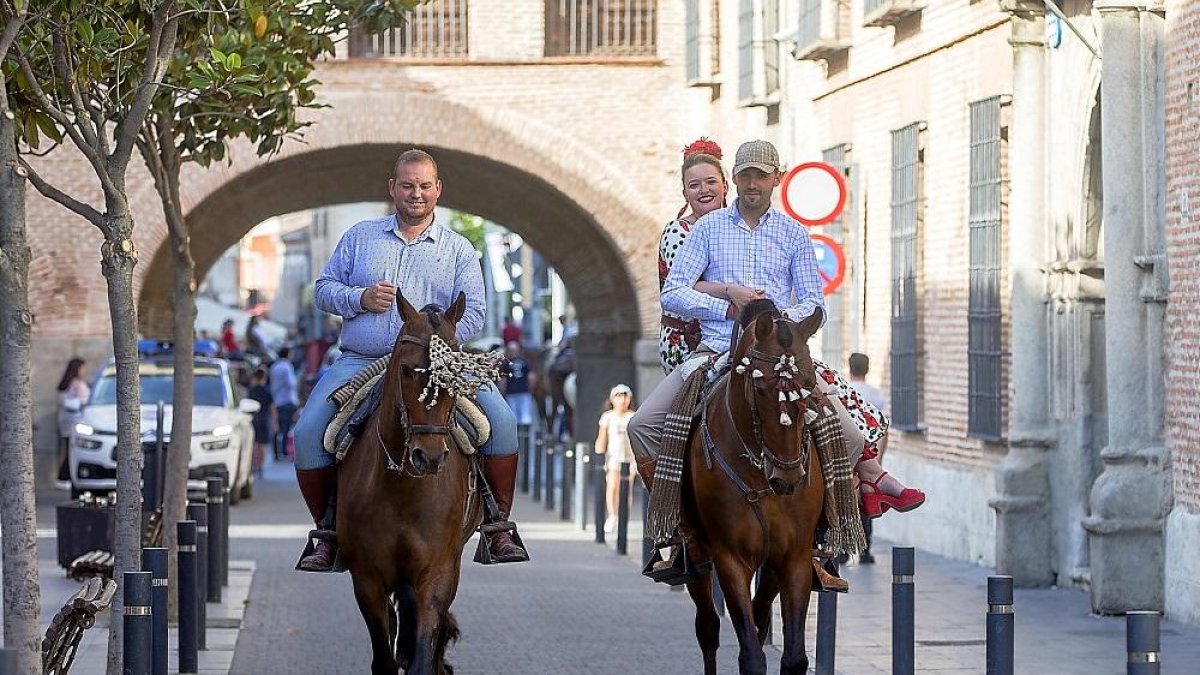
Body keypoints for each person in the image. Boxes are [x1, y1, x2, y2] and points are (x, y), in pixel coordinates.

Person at [629, 139, 924, 525]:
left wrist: (780, 320)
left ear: (776, 179)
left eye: (761, 176)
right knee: (642, 426)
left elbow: (815, 303)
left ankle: (823, 539)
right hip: (718, 349)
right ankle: (682, 523)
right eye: (746, 175)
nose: (753, 183)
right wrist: (729, 306)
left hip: (780, 354)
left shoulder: (794, 233)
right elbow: (674, 293)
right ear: (735, 179)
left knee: (851, 438)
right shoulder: (707, 230)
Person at [291, 148, 526, 571]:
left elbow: (472, 312)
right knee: (309, 432)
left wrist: (431, 339)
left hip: (437, 364)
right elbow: (323, 289)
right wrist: (358, 298)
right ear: (392, 189)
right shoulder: (359, 237)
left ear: (437, 190)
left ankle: (498, 526)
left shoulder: (459, 250)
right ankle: (326, 531)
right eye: (407, 185)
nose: (415, 194)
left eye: (423, 186)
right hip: (362, 359)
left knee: (503, 423)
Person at [595, 384, 637, 533]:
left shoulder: (632, 416)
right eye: (619, 396)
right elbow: (602, 438)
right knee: (612, 487)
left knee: (626, 488)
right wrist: (599, 455)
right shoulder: (608, 417)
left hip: (629, 459)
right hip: (613, 457)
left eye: (625, 396)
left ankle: (623, 515)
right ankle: (612, 515)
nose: (622, 399)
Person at [56, 357, 90, 486]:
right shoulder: (78, 384)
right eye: (83, 368)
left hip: (65, 421)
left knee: (68, 449)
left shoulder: (67, 383)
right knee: (72, 451)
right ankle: (64, 477)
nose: (84, 371)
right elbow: (85, 400)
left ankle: (63, 477)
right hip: (75, 422)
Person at [270, 346, 300, 462]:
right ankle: (284, 451)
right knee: (286, 428)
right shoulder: (287, 366)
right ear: (287, 354)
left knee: (277, 427)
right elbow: (291, 384)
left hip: (277, 401)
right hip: (287, 400)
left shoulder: (274, 366)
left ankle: (276, 453)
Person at [501, 342, 536, 427]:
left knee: (513, 417)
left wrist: (502, 393)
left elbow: (503, 380)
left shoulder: (506, 364)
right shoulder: (525, 362)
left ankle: (516, 438)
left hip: (511, 393)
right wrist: (530, 390)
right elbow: (531, 377)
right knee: (525, 417)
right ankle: (525, 437)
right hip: (524, 392)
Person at [247, 368, 273, 478]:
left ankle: (252, 465)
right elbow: (272, 407)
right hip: (264, 419)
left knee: (253, 444)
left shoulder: (251, 390)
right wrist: (275, 423)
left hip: (253, 419)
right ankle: (260, 466)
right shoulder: (267, 391)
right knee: (262, 445)